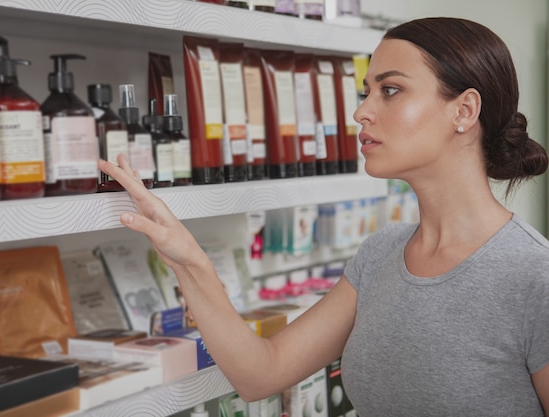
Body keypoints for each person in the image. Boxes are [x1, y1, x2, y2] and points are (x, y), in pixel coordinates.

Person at [98, 17, 549, 416]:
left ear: (464, 111)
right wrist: (185, 257)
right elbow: (261, 374)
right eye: (366, 91)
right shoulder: (380, 256)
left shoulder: (535, 277)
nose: (362, 111)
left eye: (390, 90)